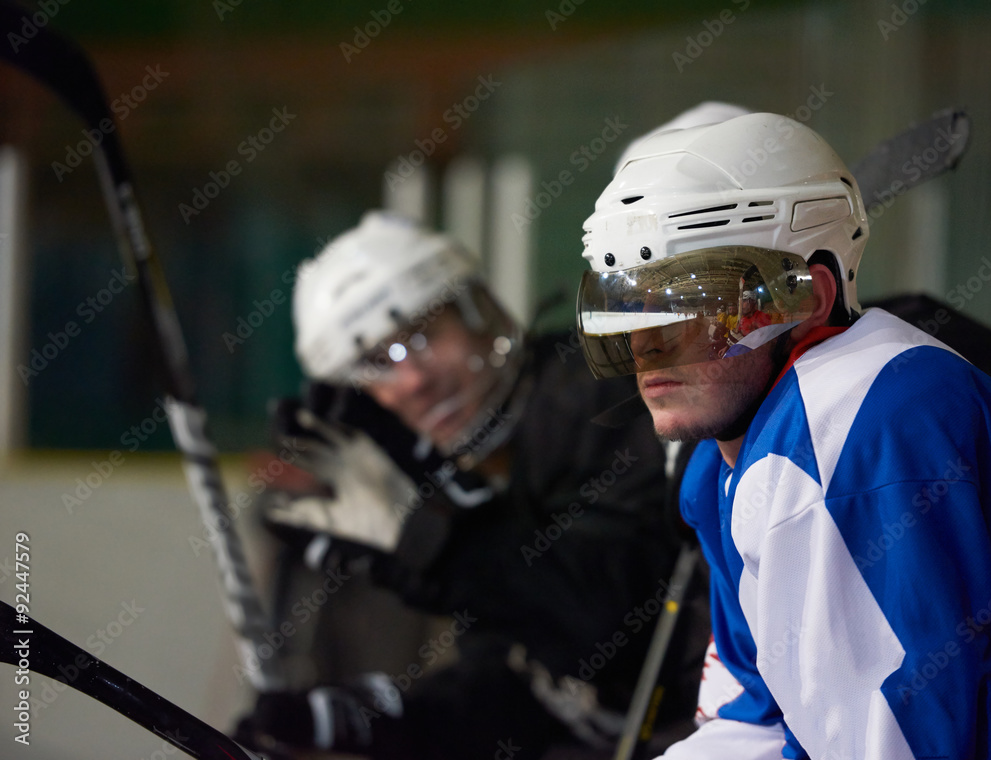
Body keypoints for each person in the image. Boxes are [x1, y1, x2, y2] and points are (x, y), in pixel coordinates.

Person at [575, 112, 991, 759]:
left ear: (812, 296)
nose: (647, 345)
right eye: (634, 306)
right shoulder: (720, 469)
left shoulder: (861, 427)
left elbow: (916, 742)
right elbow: (762, 717)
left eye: (693, 304)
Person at [238, 210, 710, 759]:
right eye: (377, 363)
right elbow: (525, 685)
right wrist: (386, 720)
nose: (414, 379)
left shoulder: (602, 394)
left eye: (423, 335)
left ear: (479, 309)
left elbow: (608, 628)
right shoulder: (461, 471)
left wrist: (442, 543)